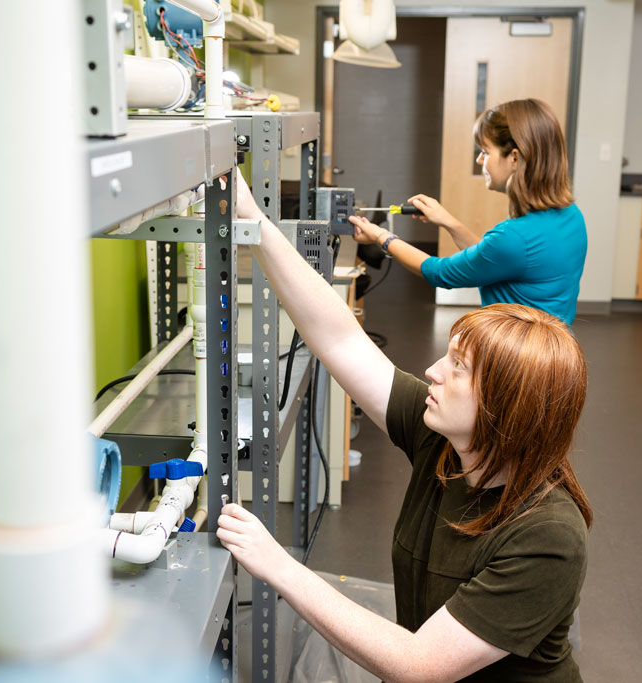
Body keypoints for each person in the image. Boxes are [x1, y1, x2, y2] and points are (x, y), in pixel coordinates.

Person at [217, 169, 592, 682]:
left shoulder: (548, 535)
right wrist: (251, 220)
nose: (433, 371)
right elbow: (342, 339)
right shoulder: (448, 441)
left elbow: (419, 666)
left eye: (457, 367)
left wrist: (278, 566)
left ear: (503, 408)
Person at [348, 98, 587, 325]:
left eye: (485, 151)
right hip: (553, 354)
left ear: (514, 158)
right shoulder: (571, 216)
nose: (480, 160)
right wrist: (448, 222)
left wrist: (381, 237)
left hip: (517, 360)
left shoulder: (515, 237)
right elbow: (491, 259)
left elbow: (438, 272)